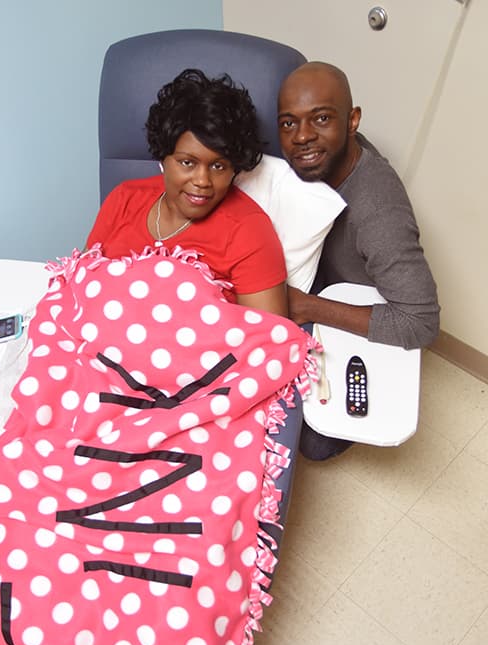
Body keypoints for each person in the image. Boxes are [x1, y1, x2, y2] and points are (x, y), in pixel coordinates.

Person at [276, 61, 440, 460]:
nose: (302, 137)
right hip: (314, 278)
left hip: (345, 300)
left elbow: (422, 323)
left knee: (313, 443)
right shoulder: (307, 160)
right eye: (288, 123)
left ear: (352, 121)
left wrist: (307, 306)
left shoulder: (378, 210)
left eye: (321, 119)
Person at [86, 68, 289, 316]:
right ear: (164, 157)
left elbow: (268, 338)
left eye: (218, 166)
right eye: (187, 163)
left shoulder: (248, 230)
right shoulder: (124, 199)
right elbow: (82, 289)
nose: (203, 181)